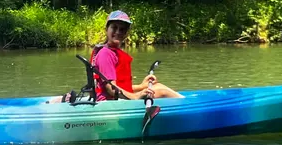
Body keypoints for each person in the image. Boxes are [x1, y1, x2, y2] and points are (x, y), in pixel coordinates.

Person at [51, 10, 183, 103]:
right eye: (114, 27)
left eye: (122, 29)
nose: (118, 32)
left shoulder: (110, 52)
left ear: (126, 33)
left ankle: (183, 100)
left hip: (116, 98)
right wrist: (136, 97)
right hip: (110, 102)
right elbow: (110, 89)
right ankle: (187, 105)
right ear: (106, 29)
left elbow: (120, 86)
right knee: (162, 92)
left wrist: (142, 86)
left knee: (157, 86)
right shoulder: (105, 54)